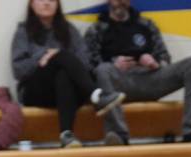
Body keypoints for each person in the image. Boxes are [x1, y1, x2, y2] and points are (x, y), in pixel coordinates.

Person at [84, 0, 191, 144]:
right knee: (103, 70)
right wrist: (114, 64)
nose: (121, 2)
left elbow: (165, 58)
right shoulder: (96, 30)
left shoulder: (146, 25)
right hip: (119, 85)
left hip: (151, 80)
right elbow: (89, 68)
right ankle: (118, 135)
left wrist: (155, 62)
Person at [10, 0, 124, 148]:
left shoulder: (69, 30)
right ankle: (96, 95)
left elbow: (86, 64)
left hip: (67, 93)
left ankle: (66, 134)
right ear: (32, 4)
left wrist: (60, 57)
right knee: (61, 56)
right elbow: (19, 70)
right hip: (35, 91)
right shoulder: (23, 31)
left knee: (63, 73)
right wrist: (44, 56)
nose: (46, 3)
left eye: (51, 0)